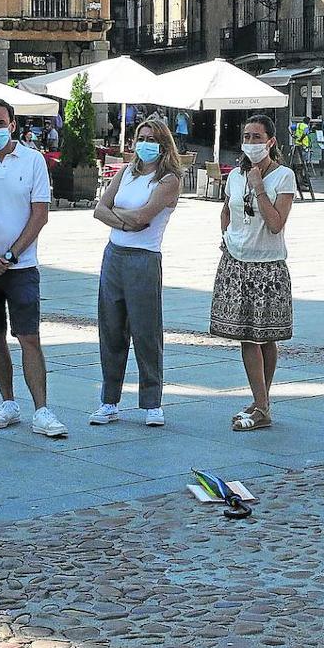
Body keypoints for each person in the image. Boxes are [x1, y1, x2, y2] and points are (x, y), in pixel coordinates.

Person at [0, 98, 68, 438]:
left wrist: (9, 255)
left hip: (21, 266)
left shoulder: (34, 160)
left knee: (28, 335)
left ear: (12, 124)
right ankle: (7, 402)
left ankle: (42, 409)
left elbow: (40, 214)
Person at [90, 120, 182, 428]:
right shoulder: (125, 172)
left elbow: (145, 218)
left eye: (151, 139)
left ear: (163, 144)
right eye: (141, 138)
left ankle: (152, 402)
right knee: (111, 330)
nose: (145, 144)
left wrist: (120, 217)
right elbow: (99, 209)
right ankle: (109, 400)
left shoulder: (168, 179)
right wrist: (125, 221)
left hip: (144, 259)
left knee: (146, 331)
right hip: (113, 256)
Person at [210, 115, 298, 432]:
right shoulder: (235, 175)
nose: (251, 142)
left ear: (271, 142)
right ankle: (261, 403)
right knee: (248, 335)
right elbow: (226, 209)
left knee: (266, 336)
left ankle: (262, 403)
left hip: (269, 264)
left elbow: (276, 224)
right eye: (246, 136)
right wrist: (227, 237)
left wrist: (260, 188)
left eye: (257, 136)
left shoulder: (284, 176)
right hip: (237, 262)